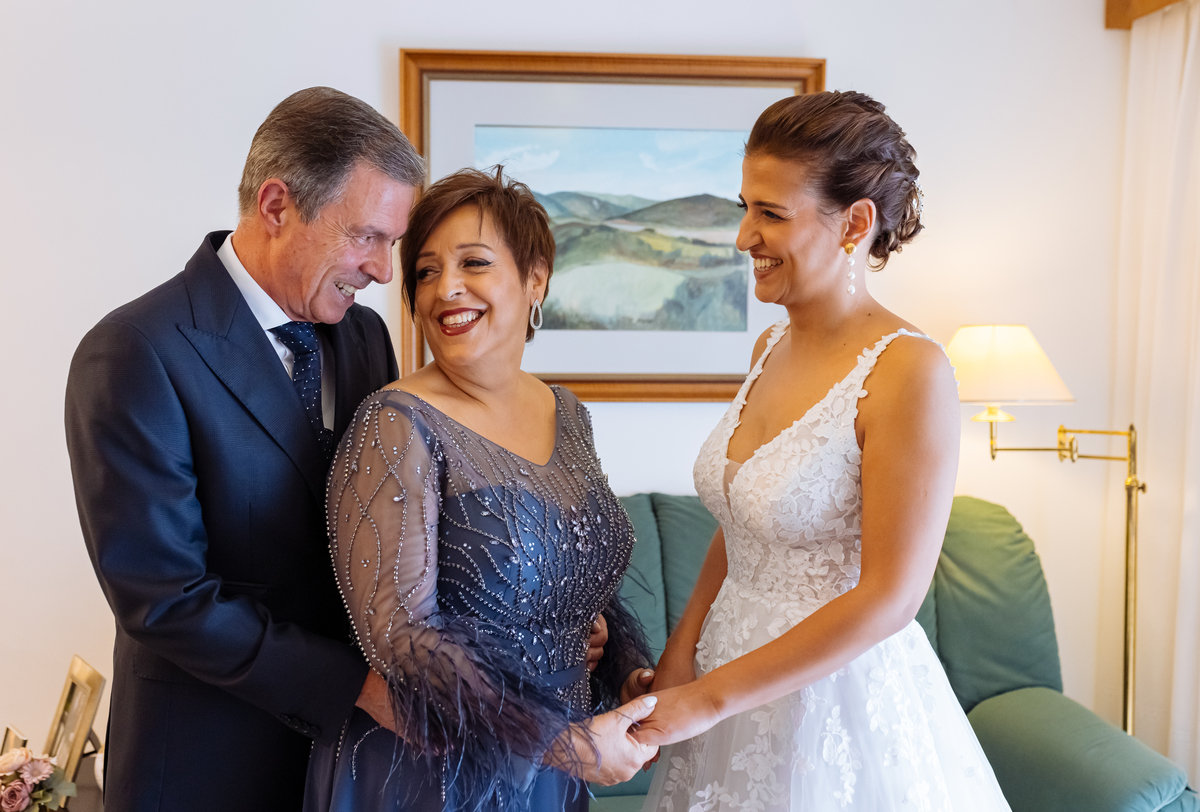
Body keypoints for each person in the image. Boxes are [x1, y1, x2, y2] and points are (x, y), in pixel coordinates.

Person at [634, 92, 1013, 810]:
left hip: (834, 703)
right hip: (725, 679)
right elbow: (742, 523)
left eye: (771, 213)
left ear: (855, 223)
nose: (743, 237)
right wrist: (681, 656)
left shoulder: (910, 370)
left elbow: (891, 598)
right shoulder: (768, 346)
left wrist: (710, 698)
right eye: (744, 208)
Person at [64, 87, 423, 812]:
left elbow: (394, 522)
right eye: (367, 237)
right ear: (276, 205)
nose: (385, 271)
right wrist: (355, 686)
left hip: (347, 767)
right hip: (201, 767)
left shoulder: (365, 337)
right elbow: (166, 599)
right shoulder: (133, 351)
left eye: (393, 243)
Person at [304, 167, 659, 812]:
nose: (447, 289)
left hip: (552, 769)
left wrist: (624, 666)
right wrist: (565, 744)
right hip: (432, 772)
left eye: (474, 262)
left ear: (536, 278)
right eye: (426, 272)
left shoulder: (566, 412)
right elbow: (400, 637)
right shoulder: (394, 424)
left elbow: (577, 570)